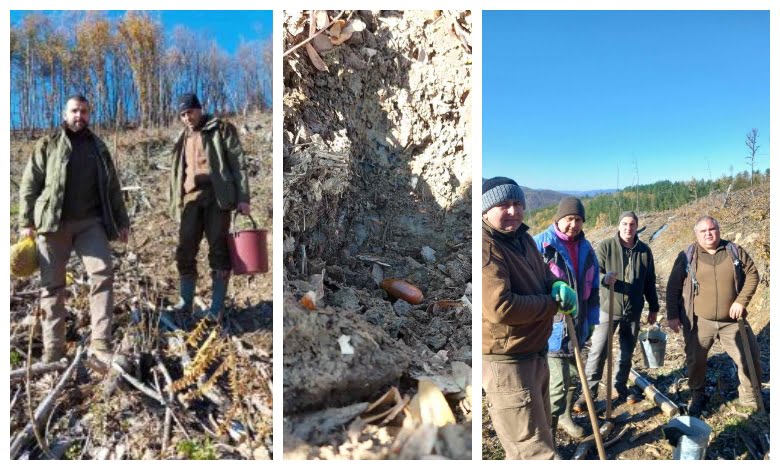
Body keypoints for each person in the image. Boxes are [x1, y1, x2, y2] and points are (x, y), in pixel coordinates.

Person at [18, 95, 130, 364]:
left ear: (89, 114)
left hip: (91, 224)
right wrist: (25, 223)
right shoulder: (48, 145)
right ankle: (53, 350)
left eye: (84, 111)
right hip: (51, 225)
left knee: (103, 275)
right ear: (65, 114)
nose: (79, 115)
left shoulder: (99, 147)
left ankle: (101, 342)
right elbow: (29, 184)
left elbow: (113, 188)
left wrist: (122, 221)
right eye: (74, 111)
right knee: (52, 287)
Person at [482, 177, 577, 460]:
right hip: (509, 364)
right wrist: (551, 304)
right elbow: (500, 307)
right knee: (534, 452)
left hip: (534, 354)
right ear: (486, 211)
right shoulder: (487, 248)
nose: (512, 211)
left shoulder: (522, 238)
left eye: (517, 204)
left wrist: (555, 284)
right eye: (503, 205)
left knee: (542, 430)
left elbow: (542, 273)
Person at [666, 215, 762, 416]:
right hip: (700, 321)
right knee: (695, 360)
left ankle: (750, 398)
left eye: (712, 229)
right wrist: (673, 315)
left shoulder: (733, 251)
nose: (709, 234)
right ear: (696, 234)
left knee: (749, 356)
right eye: (703, 231)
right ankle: (698, 395)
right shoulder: (688, 256)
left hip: (732, 322)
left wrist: (741, 301)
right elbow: (673, 286)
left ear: (718, 230)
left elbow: (753, 274)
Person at [168, 93, 251, 320]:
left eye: (190, 112)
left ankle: (216, 308)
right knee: (185, 249)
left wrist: (243, 197)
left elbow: (238, 163)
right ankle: (185, 303)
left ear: (200, 109)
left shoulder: (221, 129)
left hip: (217, 196)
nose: (187, 118)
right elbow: (177, 174)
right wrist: (175, 202)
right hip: (190, 200)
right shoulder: (181, 138)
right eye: (183, 114)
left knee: (219, 249)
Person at [576, 211, 660, 411]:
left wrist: (654, 307)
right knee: (598, 351)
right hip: (608, 308)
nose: (628, 228)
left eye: (632, 224)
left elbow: (650, 282)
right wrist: (604, 278)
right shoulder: (606, 246)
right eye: (624, 224)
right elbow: (594, 272)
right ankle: (589, 393)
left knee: (626, 351)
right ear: (618, 225)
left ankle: (620, 386)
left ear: (637, 226)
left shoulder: (644, 251)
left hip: (633, 309)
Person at [533, 197, 599, 439]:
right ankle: (548, 441)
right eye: (569, 219)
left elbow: (593, 291)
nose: (573, 224)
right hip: (552, 328)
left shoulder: (586, 248)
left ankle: (565, 418)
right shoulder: (541, 245)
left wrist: (592, 320)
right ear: (558, 219)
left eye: (578, 220)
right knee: (557, 386)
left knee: (573, 378)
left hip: (578, 325)